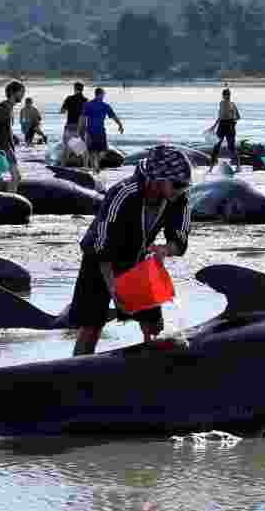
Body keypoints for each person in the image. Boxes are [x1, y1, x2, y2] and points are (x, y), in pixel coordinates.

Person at [69, 145, 193, 356]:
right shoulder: (124, 193)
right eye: (178, 185)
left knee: (153, 324)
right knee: (92, 325)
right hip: (99, 262)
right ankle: (78, 370)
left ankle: (148, 367)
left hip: (137, 258)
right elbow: (102, 244)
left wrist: (165, 250)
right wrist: (114, 288)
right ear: (159, 179)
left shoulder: (178, 197)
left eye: (185, 185)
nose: (182, 190)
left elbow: (180, 236)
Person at [79, 87, 124, 175]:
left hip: (90, 131)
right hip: (99, 131)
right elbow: (114, 116)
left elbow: (82, 118)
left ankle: (95, 166)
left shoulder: (88, 105)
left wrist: (80, 130)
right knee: (102, 150)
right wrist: (120, 125)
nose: (104, 96)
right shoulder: (104, 105)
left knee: (93, 151)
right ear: (101, 94)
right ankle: (96, 168)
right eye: (103, 94)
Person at [0, 80, 25, 192]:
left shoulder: (9, 108)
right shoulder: (3, 108)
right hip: (3, 148)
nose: (23, 95)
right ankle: (11, 201)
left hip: (8, 147)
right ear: (13, 92)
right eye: (21, 92)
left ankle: (6, 200)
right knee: (15, 177)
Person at [207, 88, 241, 173]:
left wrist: (233, 121)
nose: (227, 96)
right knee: (217, 147)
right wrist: (214, 126)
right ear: (224, 96)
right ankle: (211, 168)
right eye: (226, 95)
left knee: (230, 147)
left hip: (228, 126)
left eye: (228, 95)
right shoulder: (225, 103)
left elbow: (237, 116)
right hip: (224, 126)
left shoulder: (228, 104)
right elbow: (221, 116)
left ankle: (238, 167)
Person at [59, 82, 88, 165]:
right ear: (82, 89)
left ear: (74, 88)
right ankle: (85, 167)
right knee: (83, 151)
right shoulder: (85, 100)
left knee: (66, 149)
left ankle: (62, 167)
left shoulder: (69, 99)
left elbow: (62, 111)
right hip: (79, 128)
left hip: (69, 127)